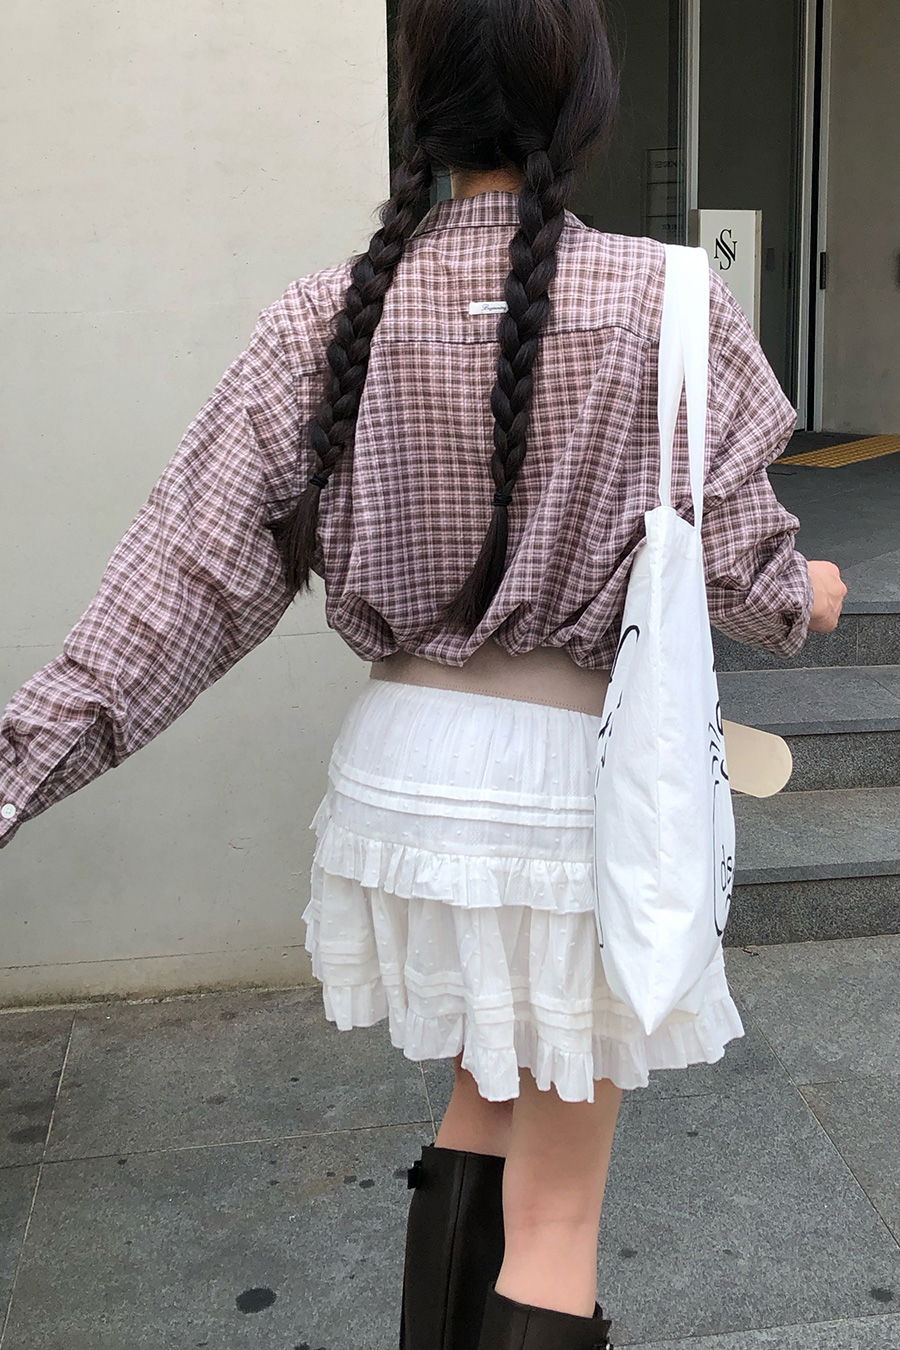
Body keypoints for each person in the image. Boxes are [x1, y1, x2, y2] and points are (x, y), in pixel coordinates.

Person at [1, 1, 848, 1347]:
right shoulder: (671, 301)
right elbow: (752, 584)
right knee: (559, 1213)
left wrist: (15, 772)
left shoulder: (322, 319)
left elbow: (177, 595)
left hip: (404, 791)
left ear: (426, 108)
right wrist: (816, 593)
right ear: (584, 101)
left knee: (482, 1097)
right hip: (574, 794)